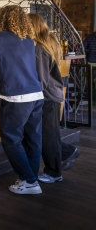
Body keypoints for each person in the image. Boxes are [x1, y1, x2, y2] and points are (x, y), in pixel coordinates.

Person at [0, 5, 44, 195]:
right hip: (36, 95)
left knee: (11, 140)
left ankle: (29, 180)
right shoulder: (28, 40)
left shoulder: (1, 38)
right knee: (33, 139)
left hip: (16, 97)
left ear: (3, 19)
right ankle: (32, 177)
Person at [27, 14, 79, 183]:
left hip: (46, 97)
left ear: (32, 26)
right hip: (53, 95)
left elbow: (40, 78)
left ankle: (54, 172)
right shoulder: (50, 42)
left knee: (46, 135)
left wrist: (33, 98)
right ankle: (67, 151)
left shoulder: (39, 48)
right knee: (48, 133)